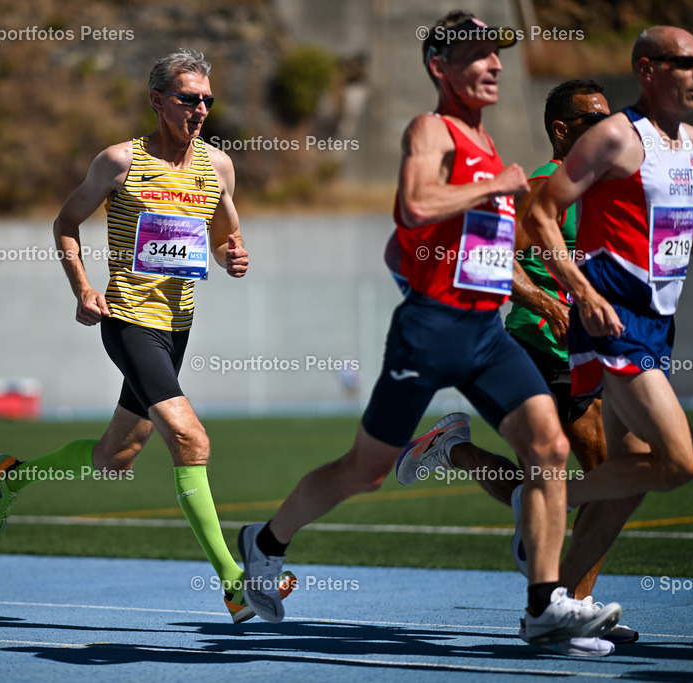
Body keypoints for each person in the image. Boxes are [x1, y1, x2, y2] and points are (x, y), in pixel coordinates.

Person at [238, 11, 621, 654]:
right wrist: (490, 192)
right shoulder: (432, 131)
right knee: (365, 471)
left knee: (549, 449)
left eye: (497, 53)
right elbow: (413, 205)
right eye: (477, 54)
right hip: (431, 332)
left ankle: (544, 607)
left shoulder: (491, 146)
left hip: (487, 334)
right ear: (439, 67)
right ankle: (265, 542)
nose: (494, 63)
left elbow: (402, 247)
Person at [0, 47, 292, 623]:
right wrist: (82, 287)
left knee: (114, 458)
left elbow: (226, 235)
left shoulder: (217, 166)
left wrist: (233, 256)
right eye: (187, 99)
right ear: (157, 101)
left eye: (207, 100)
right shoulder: (120, 161)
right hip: (127, 320)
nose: (199, 109)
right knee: (190, 439)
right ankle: (232, 582)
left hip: (179, 326)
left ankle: (12, 477)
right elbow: (66, 222)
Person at [395, 80, 639, 649]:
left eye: (611, 117)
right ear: (562, 130)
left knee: (585, 480)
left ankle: (454, 450)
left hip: (593, 355)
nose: (608, 127)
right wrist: (538, 298)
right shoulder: (537, 189)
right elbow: (489, 255)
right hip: (539, 347)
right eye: (592, 119)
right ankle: (567, 608)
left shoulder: (611, 191)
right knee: (586, 475)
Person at [519, 24, 693, 608]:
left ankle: (555, 608)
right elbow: (539, 216)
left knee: (630, 476)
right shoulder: (612, 136)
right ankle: (537, 501)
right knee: (679, 462)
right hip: (612, 318)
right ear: (646, 69)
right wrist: (580, 291)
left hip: (657, 325)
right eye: (684, 62)